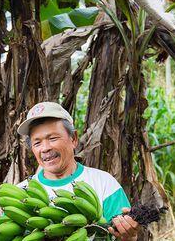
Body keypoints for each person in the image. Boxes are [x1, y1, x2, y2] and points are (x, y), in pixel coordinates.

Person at [16, 101, 139, 241]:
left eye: (53, 138)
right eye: (37, 143)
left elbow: (124, 236)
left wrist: (130, 236)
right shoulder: (21, 193)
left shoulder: (104, 183)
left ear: (73, 139)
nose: (45, 148)